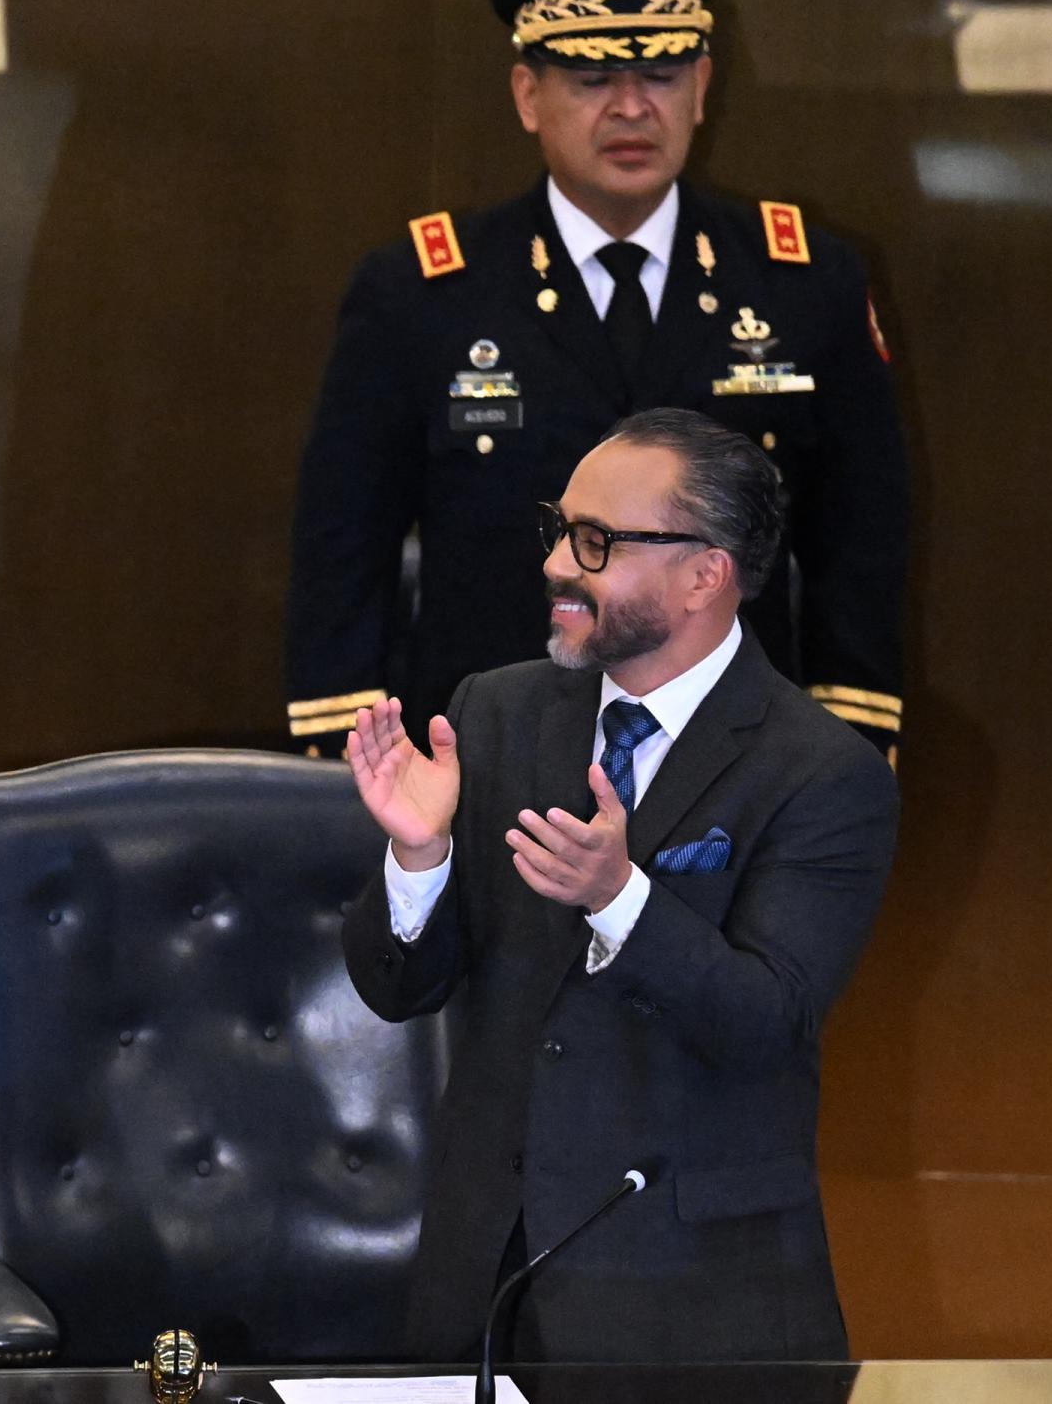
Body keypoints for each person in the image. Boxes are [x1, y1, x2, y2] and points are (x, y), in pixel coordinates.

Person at [342, 409, 898, 1359]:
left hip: (696, 1304)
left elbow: (766, 1021)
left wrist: (620, 900)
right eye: (557, 528)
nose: (559, 562)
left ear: (704, 573)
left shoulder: (822, 772)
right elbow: (399, 989)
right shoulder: (497, 711)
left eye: (595, 541)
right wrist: (418, 858)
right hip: (486, 1287)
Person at [286, 0, 909, 758]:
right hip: (483, 756)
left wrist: (851, 735)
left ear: (701, 87)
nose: (630, 107)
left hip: (730, 764)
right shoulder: (421, 294)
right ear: (526, 96)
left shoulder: (803, 284)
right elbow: (342, 548)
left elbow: (860, 539)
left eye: (658, 73)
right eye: (589, 77)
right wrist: (344, 745)